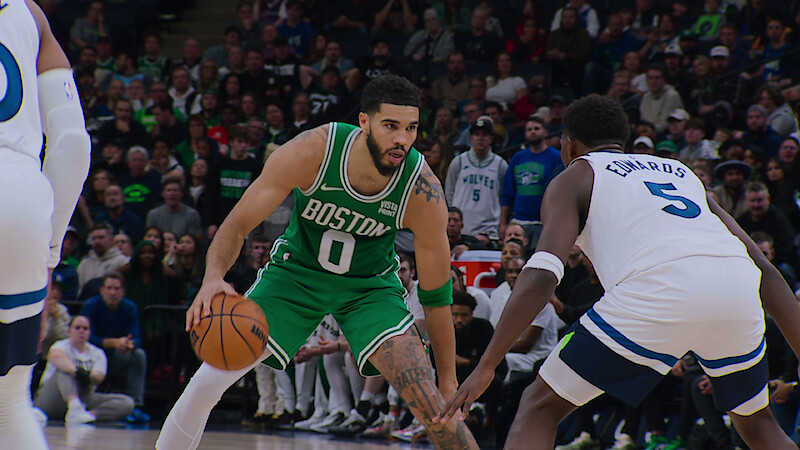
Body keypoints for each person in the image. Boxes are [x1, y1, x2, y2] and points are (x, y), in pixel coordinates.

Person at [437, 95, 800, 450]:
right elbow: (765, 270)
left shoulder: (576, 175)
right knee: (757, 423)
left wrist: (487, 364)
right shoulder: (681, 172)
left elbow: (544, 272)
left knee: (539, 406)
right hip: (736, 286)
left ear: (568, 144)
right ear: (622, 141)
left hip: (660, 288)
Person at [156, 74, 479, 449]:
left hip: (368, 290)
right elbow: (238, 224)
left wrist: (447, 381)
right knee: (208, 380)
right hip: (295, 277)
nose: (402, 139)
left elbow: (437, 296)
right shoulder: (313, 151)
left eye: (411, 128)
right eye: (391, 126)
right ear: (364, 121)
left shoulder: (422, 189)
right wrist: (213, 277)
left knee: (434, 407)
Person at [34, 316, 135, 423]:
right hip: (52, 397)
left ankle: (88, 415)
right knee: (64, 370)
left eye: (85, 328)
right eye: (77, 328)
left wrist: (88, 376)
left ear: (89, 333)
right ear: (69, 331)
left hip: (83, 396)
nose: (81, 331)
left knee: (127, 402)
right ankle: (74, 406)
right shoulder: (60, 345)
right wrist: (77, 372)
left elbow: (98, 377)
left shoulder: (98, 353)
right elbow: (57, 358)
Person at [80, 272, 149, 423]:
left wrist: (128, 345)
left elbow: (136, 337)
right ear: (101, 290)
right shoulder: (91, 305)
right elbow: (87, 338)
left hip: (117, 357)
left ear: (123, 291)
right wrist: (113, 342)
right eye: (109, 288)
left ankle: (135, 406)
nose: (112, 292)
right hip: (91, 359)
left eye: (116, 288)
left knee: (139, 355)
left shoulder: (130, 307)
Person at [500, 116, 563, 247]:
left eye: (536, 128)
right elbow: (507, 194)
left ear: (545, 132)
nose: (533, 132)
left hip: (543, 223)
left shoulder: (557, 157)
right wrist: (503, 223)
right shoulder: (518, 157)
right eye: (529, 129)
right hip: (519, 222)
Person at [446, 115, 508, 243]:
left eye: (484, 135)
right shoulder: (458, 162)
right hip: (461, 228)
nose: (480, 138)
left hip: (488, 230)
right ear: (471, 138)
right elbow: (449, 194)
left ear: (491, 138)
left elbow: (504, 198)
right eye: (476, 134)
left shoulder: (501, 165)